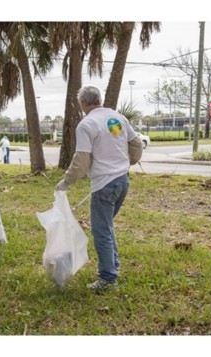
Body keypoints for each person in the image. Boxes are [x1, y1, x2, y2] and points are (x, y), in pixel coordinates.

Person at [55, 86, 143, 291]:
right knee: (107, 226)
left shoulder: (87, 124)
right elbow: (136, 143)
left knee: (101, 231)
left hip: (104, 185)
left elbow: (81, 160)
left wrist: (65, 183)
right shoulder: (117, 117)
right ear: (99, 99)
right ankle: (113, 266)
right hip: (122, 181)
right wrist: (128, 162)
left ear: (83, 103)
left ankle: (107, 278)